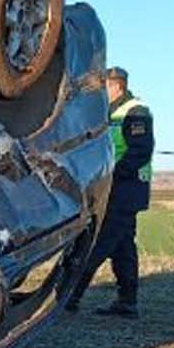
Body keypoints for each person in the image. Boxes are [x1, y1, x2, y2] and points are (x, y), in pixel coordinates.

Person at [68, 66, 154, 319]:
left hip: (126, 188)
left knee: (99, 242)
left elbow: (141, 151)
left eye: (103, 88)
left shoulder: (136, 112)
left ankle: (70, 296)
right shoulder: (109, 112)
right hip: (115, 188)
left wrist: (111, 174)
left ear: (116, 86)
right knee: (123, 246)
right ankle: (127, 302)